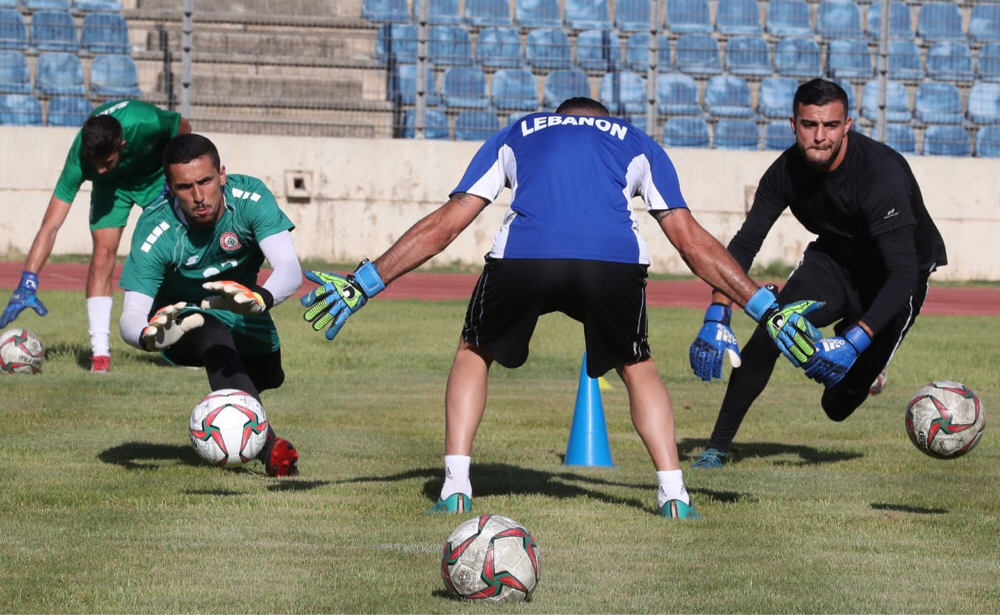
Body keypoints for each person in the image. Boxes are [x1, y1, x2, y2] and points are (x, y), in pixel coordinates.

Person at [300, 97, 817, 518]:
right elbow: (690, 241)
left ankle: (455, 486)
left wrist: (364, 281)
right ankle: (674, 495)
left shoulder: (518, 132)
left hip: (527, 257)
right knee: (637, 365)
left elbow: (448, 222)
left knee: (473, 350)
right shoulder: (635, 141)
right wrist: (763, 307)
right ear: (603, 119)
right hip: (612, 262)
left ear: (562, 115)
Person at [688, 78, 947, 469]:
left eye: (830, 125)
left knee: (836, 405)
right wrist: (717, 311)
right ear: (794, 124)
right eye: (810, 125)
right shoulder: (783, 172)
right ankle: (717, 448)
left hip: (895, 277)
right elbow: (744, 244)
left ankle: (866, 368)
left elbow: (903, 274)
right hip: (834, 261)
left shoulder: (880, 174)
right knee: (772, 331)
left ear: (848, 125)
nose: (820, 136)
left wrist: (856, 342)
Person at [118, 133, 302, 477]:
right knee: (210, 331)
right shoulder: (156, 229)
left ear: (222, 175)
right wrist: (146, 337)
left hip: (246, 308)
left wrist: (259, 299)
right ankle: (268, 451)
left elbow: (290, 270)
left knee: (269, 376)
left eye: (205, 181)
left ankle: (223, 406)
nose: (198, 196)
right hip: (182, 326)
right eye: (185, 187)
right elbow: (130, 316)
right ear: (170, 188)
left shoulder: (250, 198)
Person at [0, 99, 192, 373]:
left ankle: (184, 342)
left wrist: (176, 172)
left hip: (154, 176)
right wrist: (27, 280)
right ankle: (100, 355)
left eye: (107, 162)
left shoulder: (144, 120)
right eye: (95, 164)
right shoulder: (81, 158)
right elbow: (50, 225)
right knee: (102, 254)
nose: (98, 169)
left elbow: (184, 128)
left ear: (122, 146)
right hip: (112, 187)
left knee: (177, 251)